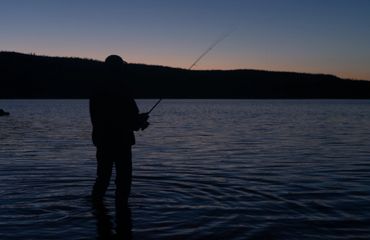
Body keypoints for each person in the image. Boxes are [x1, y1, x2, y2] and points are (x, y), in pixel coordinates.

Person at [90, 55, 149, 213]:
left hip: (103, 141)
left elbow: (107, 117)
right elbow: (123, 118)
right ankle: (122, 211)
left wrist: (136, 121)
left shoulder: (98, 88)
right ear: (119, 68)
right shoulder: (122, 89)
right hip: (121, 141)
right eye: (121, 66)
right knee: (123, 180)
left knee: (103, 178)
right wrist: (138, 122)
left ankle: (96, 209)